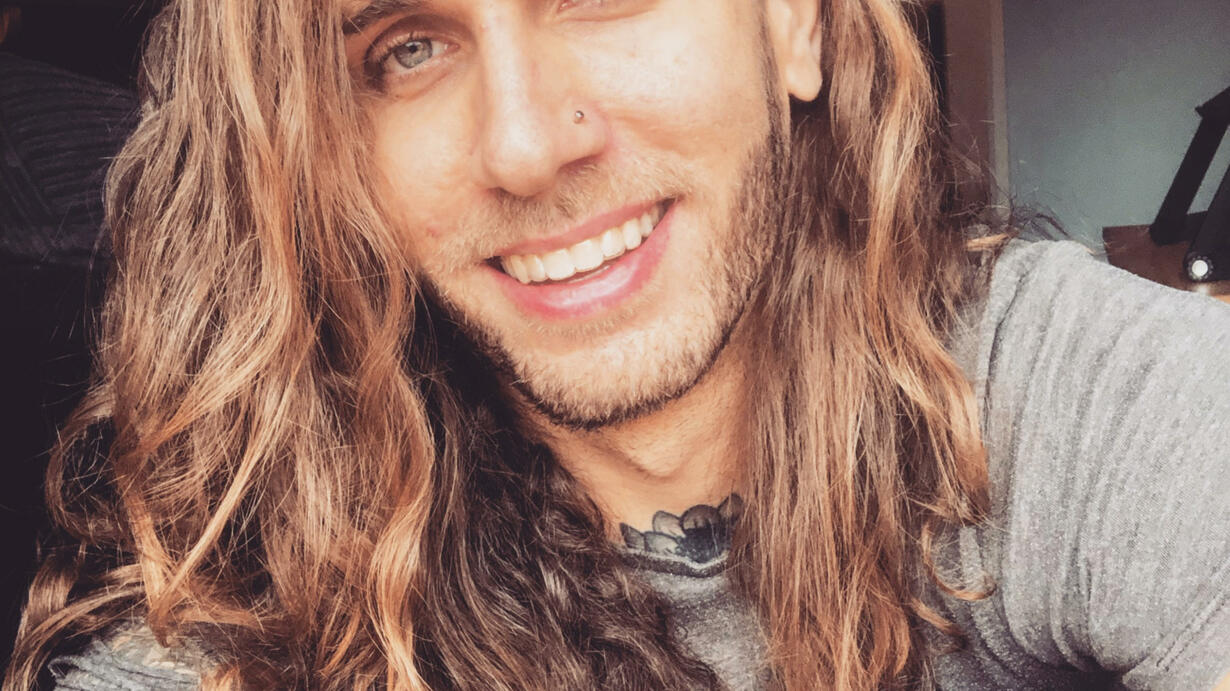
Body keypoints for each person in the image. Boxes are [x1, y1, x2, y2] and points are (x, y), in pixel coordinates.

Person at [4, 0, 1229, 689]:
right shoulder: (254, 593)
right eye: (407, 46)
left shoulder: (1074, 401)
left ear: (795, 25)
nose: (527, 144)